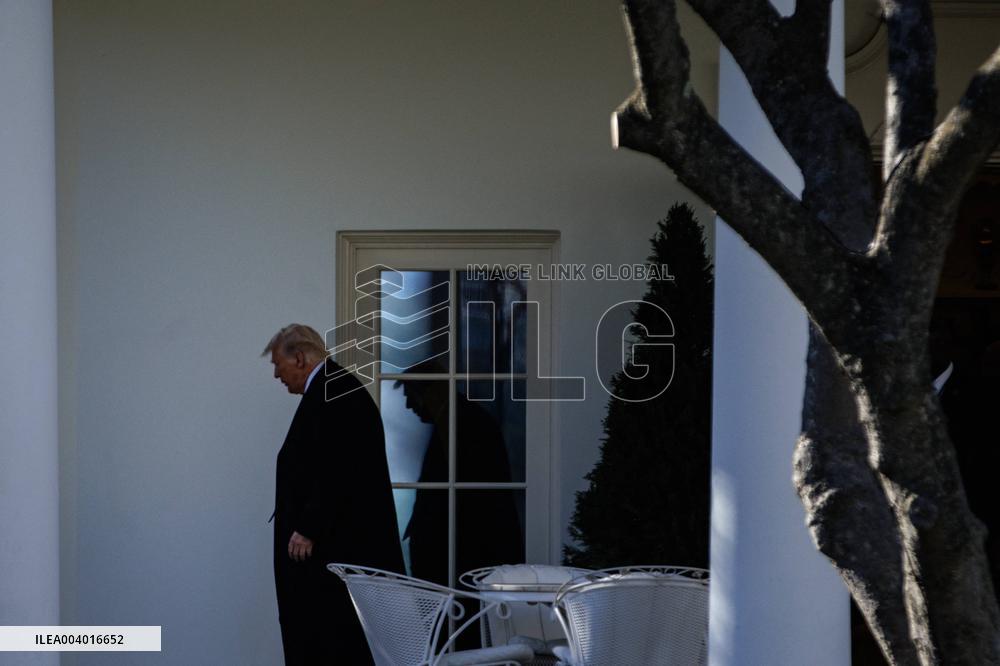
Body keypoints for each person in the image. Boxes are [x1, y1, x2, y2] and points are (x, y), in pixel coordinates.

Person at [263, 324, 403, 665]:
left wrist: (309, 525)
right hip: (332, 554)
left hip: (333, 556)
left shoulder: (334, 392)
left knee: (330, 644)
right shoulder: (333, 389)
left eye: (277, 366)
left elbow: (340, 466)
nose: (277, 376)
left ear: (298, 358)